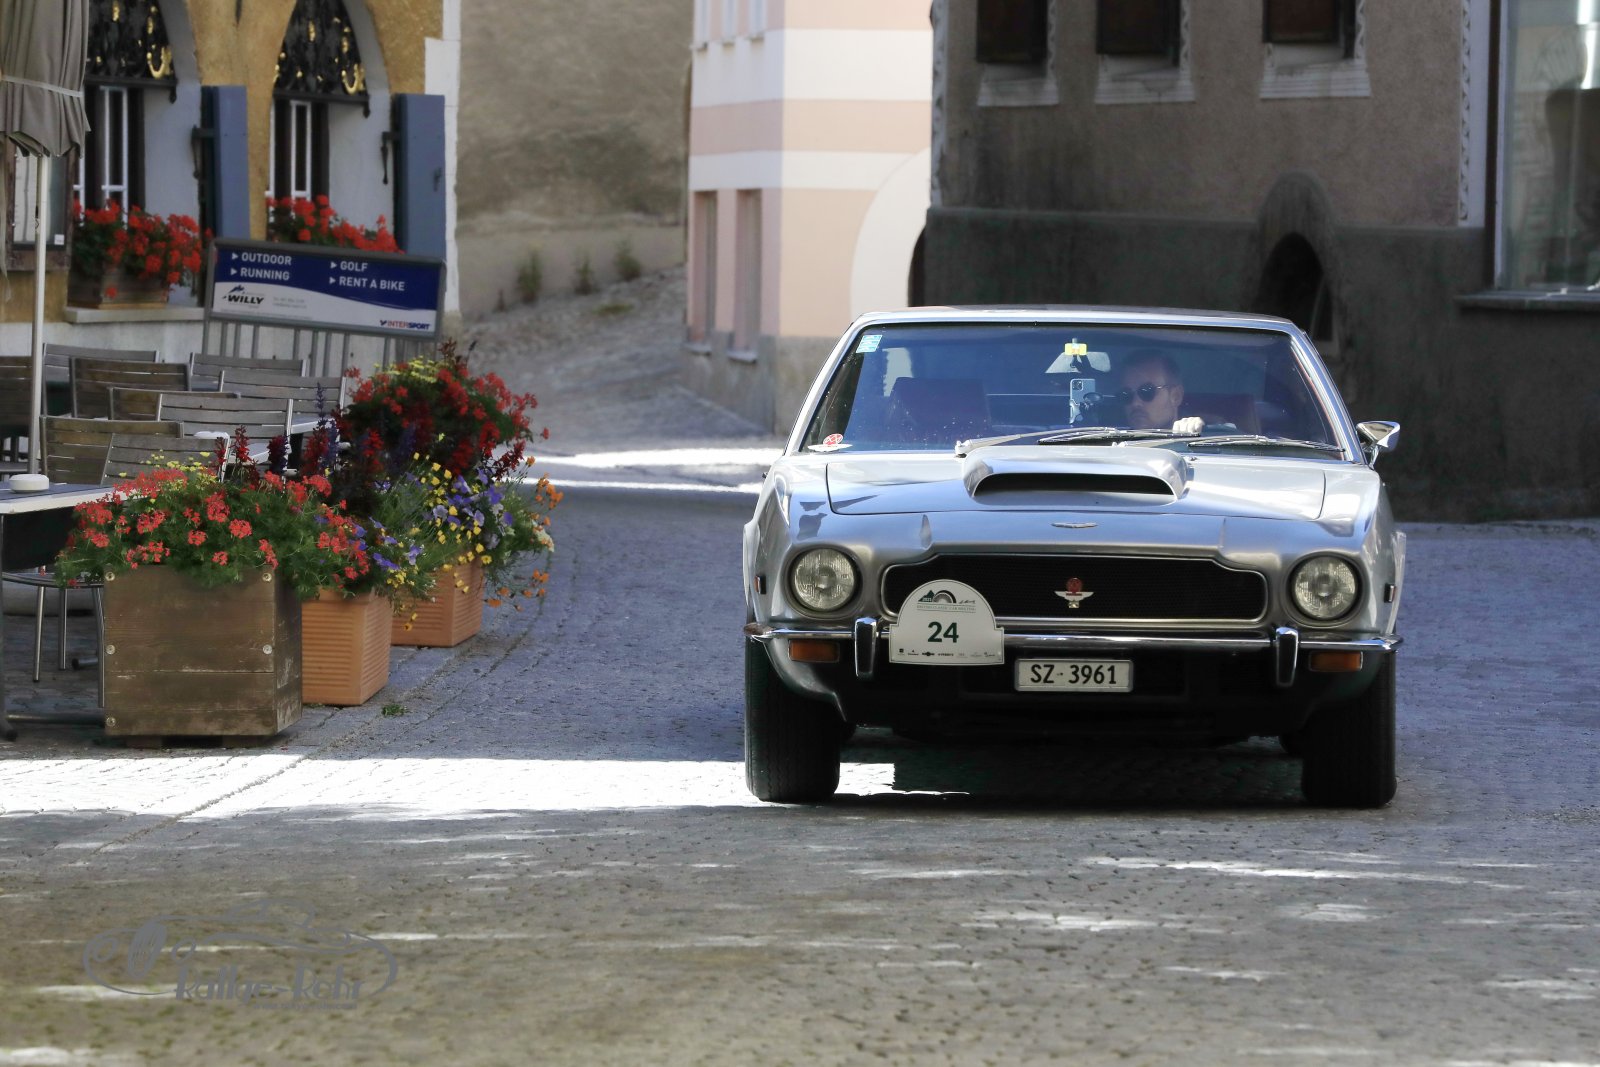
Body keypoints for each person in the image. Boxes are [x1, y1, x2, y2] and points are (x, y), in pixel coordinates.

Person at [1116, 351, 1193, 431]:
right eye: (1126, 395)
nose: (1135, 403)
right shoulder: (1112, 437)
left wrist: (1193, 429)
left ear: (1176, 396)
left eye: (1147, 392)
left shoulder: (1197, 436)